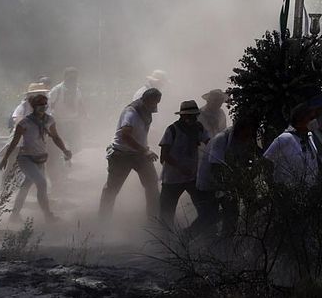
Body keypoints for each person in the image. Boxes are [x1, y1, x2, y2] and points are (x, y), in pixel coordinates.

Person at [0, 88, 72, 221]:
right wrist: (5, 158)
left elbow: (55, 137)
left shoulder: (49, 120)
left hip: (40, 159)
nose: (43, 107)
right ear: (33, 106)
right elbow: (15, 141)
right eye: (40, 104)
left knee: (26, 186)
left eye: (45, 104)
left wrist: (65, 150)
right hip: (26, 158)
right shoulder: (24, 122)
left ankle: (14, 215)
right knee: (42, 183)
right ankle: (48, 215)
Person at [98, 88, 161, 222]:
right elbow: (125, 136)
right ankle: (102, 222)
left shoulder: (146, 111)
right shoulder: (131, 113)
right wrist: (145, 151)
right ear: (145, 100)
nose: (155, 106)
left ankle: (154, 220)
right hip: (122, 155)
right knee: (112, 189)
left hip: (140, 153)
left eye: (157, 103)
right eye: (153, 103)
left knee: (152, 185)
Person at [196, 115, 258, 237]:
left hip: (228, 185)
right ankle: (184, 240)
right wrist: (230, 185)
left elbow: (247, 159)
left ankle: (224, 247)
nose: (248, 138)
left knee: (231, 218)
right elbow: (216, 168)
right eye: (246, 135)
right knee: (208, 220)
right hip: (210, 185)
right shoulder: (221, 139)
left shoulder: (244, 140)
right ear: (239, 130)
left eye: (250, 135)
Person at [158, 100, 210, 227]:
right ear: (182, 116)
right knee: (166, 213)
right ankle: (164, 240)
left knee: (205, 209)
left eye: (194, 115)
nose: (192, 118)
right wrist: (180, 167)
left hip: (192, 177)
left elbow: (209, 142)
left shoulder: (199, 128)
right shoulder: (172, 130)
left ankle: (198, 234)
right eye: (189, 115)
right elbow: (164, 155)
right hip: (172, 179)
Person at [264, 105, 321, 188]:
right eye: (311, 118)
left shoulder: (309, 137)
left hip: (309, 191)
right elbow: (266, 162)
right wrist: (274, 187)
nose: (314, 121)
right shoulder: (285, 138)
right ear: (299, 120)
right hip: (289, 191)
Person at [48, 67, 88, 131]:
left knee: (76, 140)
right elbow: (49, 105)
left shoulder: (77, 90)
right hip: (59, 123)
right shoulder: (57, 90)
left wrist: (85, 116)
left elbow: (80, 104)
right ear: (65, 77)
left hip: (74, 123)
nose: (72, 80)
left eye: (74, 78)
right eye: (70, 78)